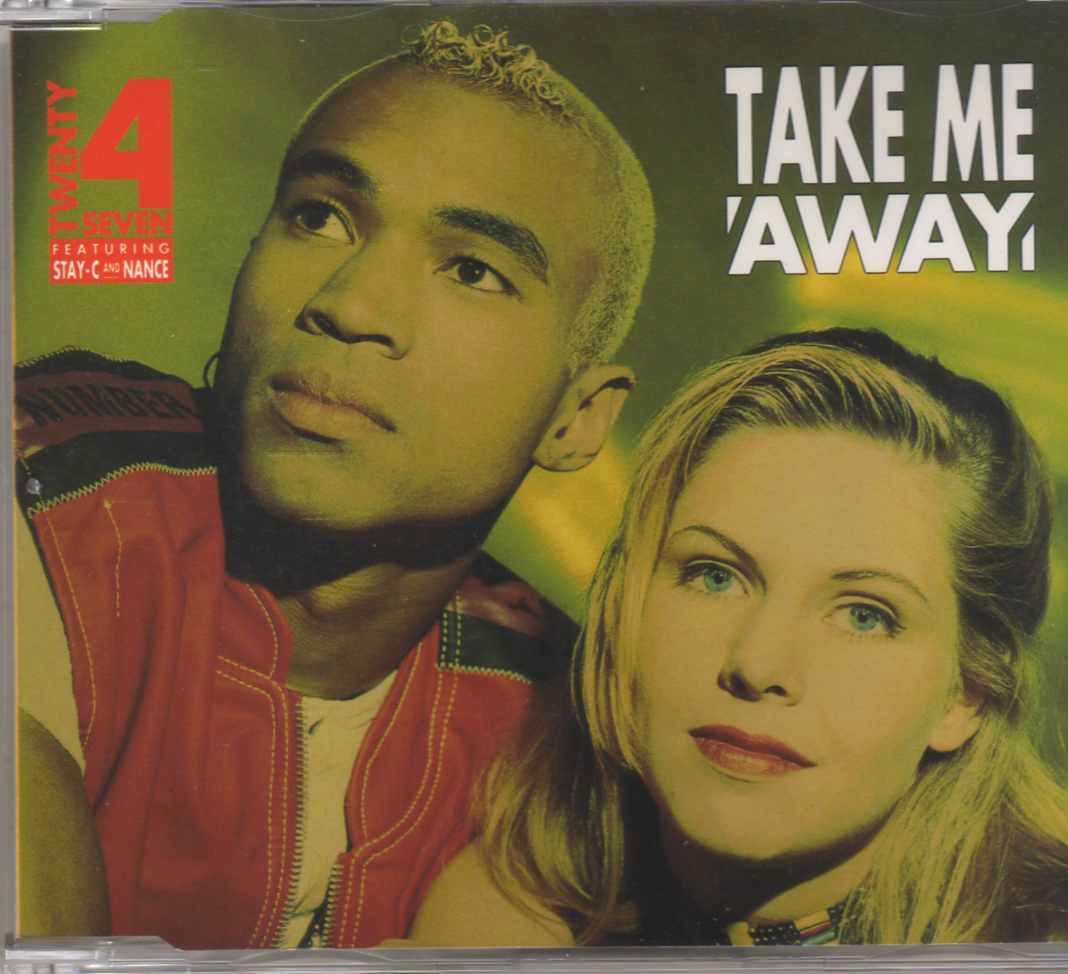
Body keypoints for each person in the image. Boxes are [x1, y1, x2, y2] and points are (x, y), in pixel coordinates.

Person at [15, 21, 654, 948]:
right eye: (319, 217)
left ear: (577, 418)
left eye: (472, 270)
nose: (350, 304)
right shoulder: (52, 491)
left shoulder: (568, 726)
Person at [406, 327, 1068, 946]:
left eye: (864, 615)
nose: (757, 663)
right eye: (715, 576)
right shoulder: (524, 893)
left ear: (965, 695)